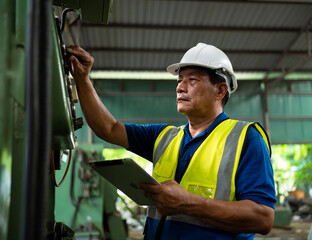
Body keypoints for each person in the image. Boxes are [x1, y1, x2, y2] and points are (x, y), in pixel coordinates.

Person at [67, 42, 276, 240]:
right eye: (179, 81)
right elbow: (108, 129)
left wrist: (189, 204)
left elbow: (263, 218)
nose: (180, 88)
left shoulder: (246, 138)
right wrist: (83, 79)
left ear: (220, 90)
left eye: (192, 80)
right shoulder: (165, 137)